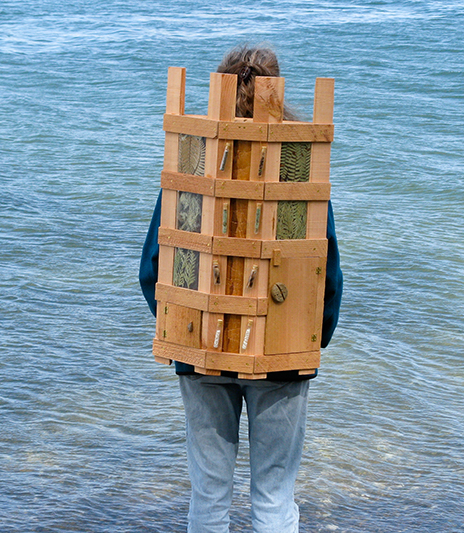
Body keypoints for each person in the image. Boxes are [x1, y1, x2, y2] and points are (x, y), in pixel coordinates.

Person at [139, 45, 343, 533]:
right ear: (278, 90)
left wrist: (185, 329)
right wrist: (311, 339)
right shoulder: (299, 165)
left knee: (208, 497)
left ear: (220, 89)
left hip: (199, 347)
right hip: (283, 352)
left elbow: (154, 268)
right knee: (274, 498)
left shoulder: (193, 161)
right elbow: (325, 275)